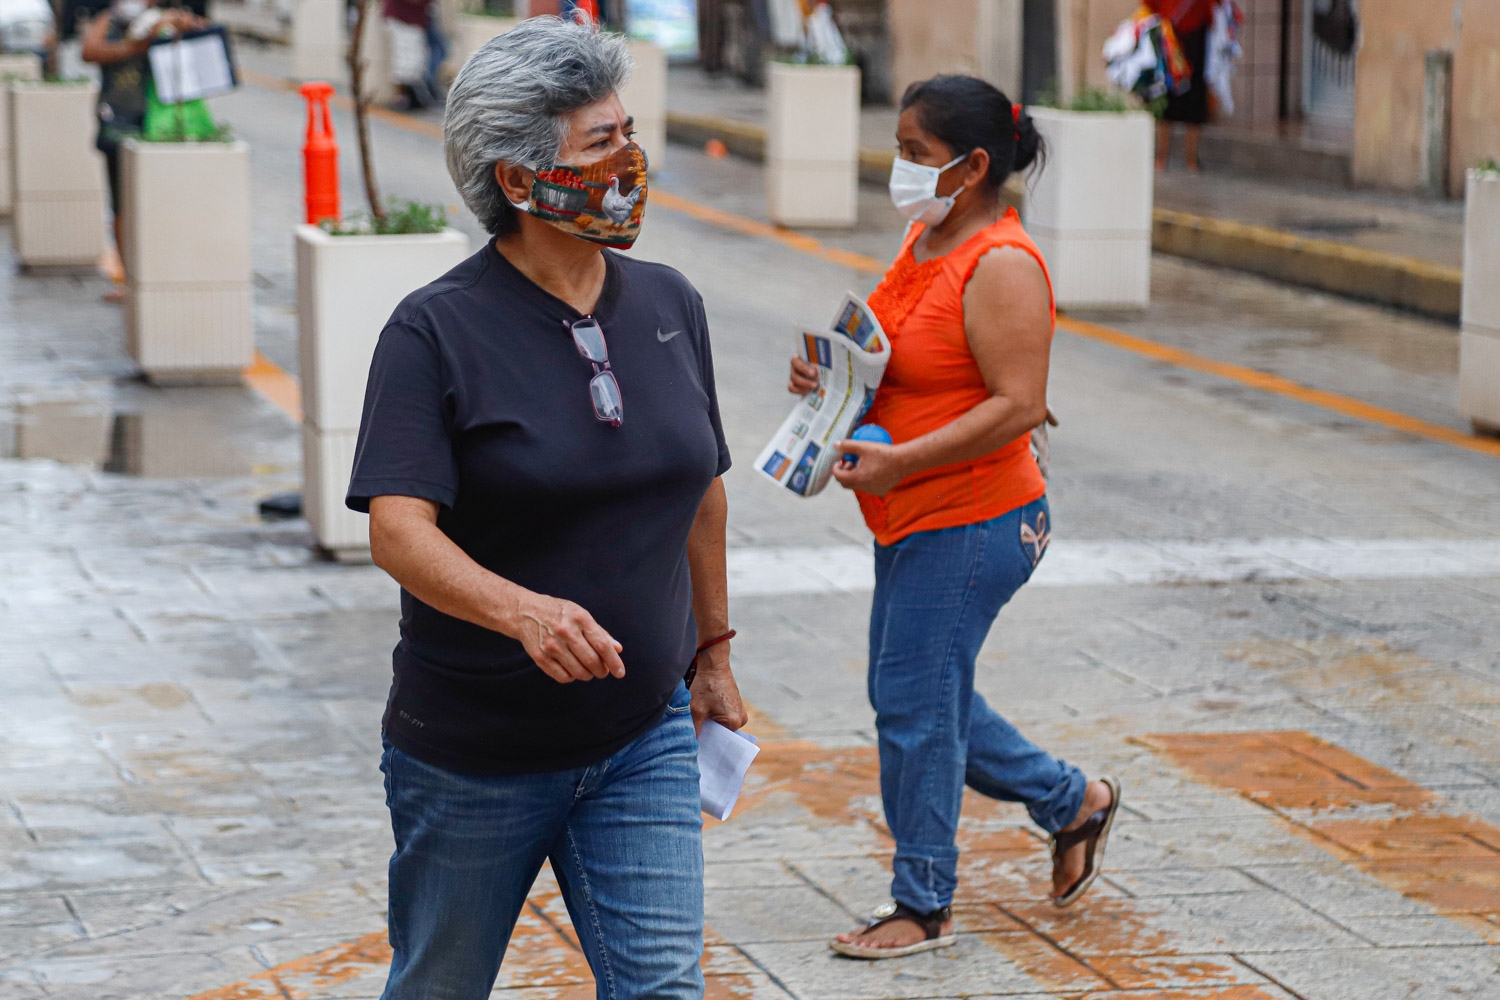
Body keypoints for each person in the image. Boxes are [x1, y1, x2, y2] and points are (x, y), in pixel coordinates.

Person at [345, 16, 747, 999]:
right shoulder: (434, 331)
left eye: (630, 132)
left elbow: (701, 490)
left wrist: (714, 651)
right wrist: (522, 610)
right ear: (519, 183)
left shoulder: (669, 302)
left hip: (640, 734)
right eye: (601, 143)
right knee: (440, 985)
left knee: (662, 988)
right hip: (476, 757)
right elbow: (398, 529)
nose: (632, 162)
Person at [787, 74, 1122, 959]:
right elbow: (892, 353)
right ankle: (1072, 801)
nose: (899, 169)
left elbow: (1019, 404)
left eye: (915, 154)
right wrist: (832, 378)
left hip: (975, 520)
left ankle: (923, 902)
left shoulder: (1003, 266)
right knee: (920, 695)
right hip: (910, 514)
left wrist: (899, 458)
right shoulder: (925, 236)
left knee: (914, 706)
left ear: (973, 166)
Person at [81, 0, 204, 302]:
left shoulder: (167, 20)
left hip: (155, 123)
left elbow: (203, 47)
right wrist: (133, 46)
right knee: (121, 205)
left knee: (157, 202)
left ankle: (160, 275)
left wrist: (182, 27)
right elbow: (89, 51)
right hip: (116, 122)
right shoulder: (109, 20)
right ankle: (127, 277)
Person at [1149, 0, 1217, 171]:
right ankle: (1163, 158)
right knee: (1168, 101)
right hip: (1171, 42)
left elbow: (1212, 13)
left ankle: (1190, 160)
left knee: (1193, 102)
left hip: (1195, 42)